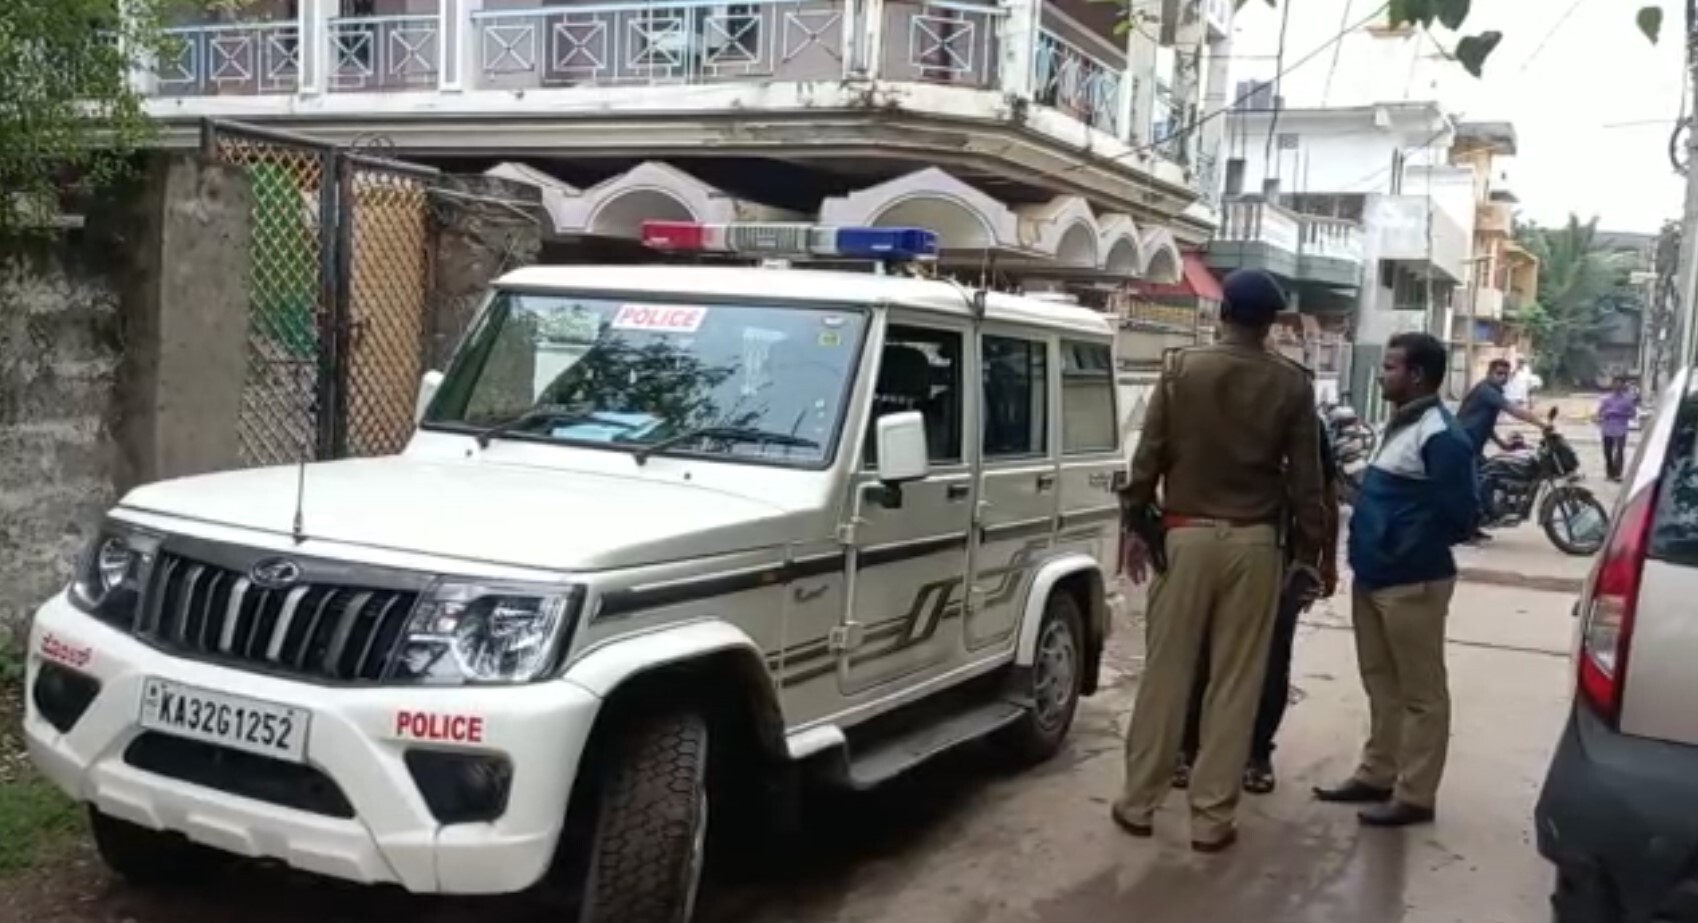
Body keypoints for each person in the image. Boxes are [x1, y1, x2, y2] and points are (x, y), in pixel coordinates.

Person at [1113, 268, 1328, 854]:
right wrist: (1309, 556)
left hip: (1183, 538)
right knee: (1236, 682)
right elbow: (1309, 483)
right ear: (1271, 323)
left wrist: (1135, 523)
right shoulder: (1292, 384)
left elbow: (1148, 455)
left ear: (1222, 311)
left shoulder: (1182, 370)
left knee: (1166, 675)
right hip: (1255, 546)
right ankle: (1211, 818)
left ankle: (1138, 803)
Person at [1313, 332, 1478, 828]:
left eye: (1390, 367)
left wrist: (1404, 546)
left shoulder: (1441, 435)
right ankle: (1377, 773)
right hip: (1374, 576)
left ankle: (1415, 794)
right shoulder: (1400, 424)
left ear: (1417, 375)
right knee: (1380, 682)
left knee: (1422, 694)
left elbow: (1461, 516)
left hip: (1412, 582)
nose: (1382, 374)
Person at [1173, 405, 1341, 796]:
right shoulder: (1207, 407)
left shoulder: (1301, 419)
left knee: (1271, 657)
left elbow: (1323, 495)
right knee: (1201, 652)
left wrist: (1324, 561)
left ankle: (1256, 754)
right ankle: (1187, 747)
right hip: (1215, 550)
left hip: (1279, 557)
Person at [1458, 358, 1552, 539]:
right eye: (1499, 373)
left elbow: (1484, 423)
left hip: (1473, 446)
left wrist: (1501, 443)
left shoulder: (1492, 392)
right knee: (1474, 488)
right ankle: (1465, 532)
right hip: (1464, 446)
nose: (1502, 378)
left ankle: (1478, 524)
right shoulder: (1487, 391)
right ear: (1489, 373)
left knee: (1490, 478)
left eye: (1505, 374)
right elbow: (1514, 410)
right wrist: (1541, 424)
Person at [1596, 376, 1637, 482]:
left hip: (1621, 428)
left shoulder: (1628, 400)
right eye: (1615, 383)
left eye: (1620, 384)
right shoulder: (1606, 399)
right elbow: (1599, 413)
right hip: (1607, 428)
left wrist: (1621, 414)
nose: (1617, 386)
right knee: (1608, 452)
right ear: (1612, 385)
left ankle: (1618, 473)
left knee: (1619, 451)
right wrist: (1606, 414)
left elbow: (1633, 414)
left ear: (1623, 385)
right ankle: (1610, 473)